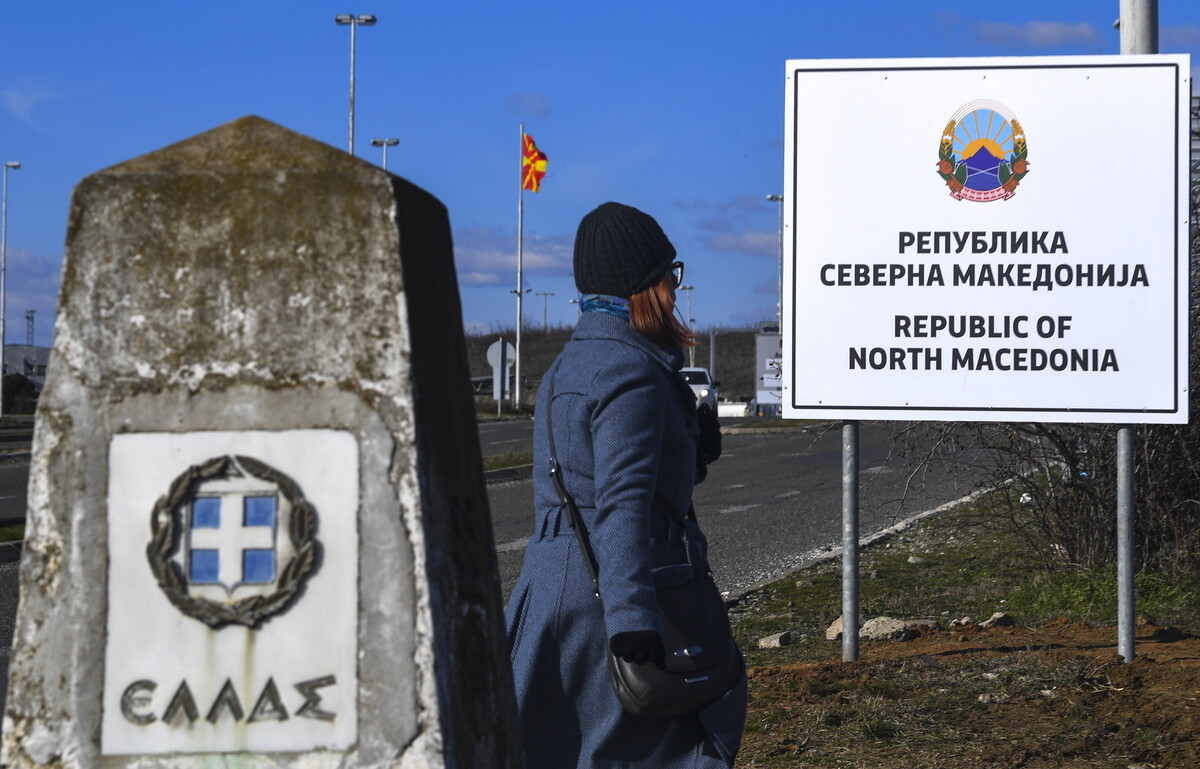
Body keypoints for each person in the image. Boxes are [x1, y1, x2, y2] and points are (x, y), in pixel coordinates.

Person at [505, 202, 747, 768]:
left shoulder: (565, 367)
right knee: (662, 743)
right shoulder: (632, 371)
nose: (674, 287)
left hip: (554, 589)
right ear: (645, 283)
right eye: (669, 274)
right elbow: (622, 502)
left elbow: (591, 476)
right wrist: (632, 620)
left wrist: (690, 451)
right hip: (613, 593)